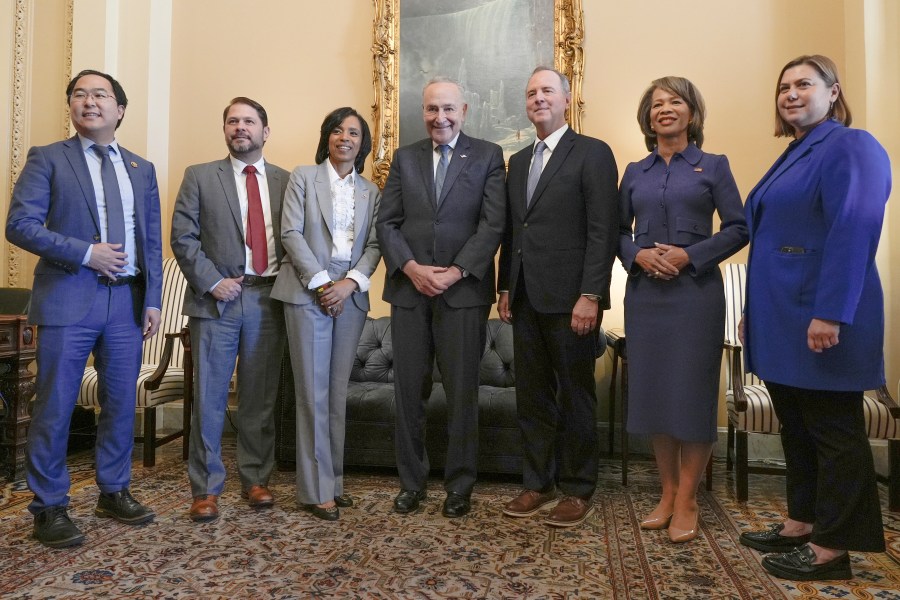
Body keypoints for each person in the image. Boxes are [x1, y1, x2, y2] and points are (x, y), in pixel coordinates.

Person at [738, 55, 890, 581]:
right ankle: (801, 522)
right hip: (782, 320)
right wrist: (752, 315)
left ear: (833, 91)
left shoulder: (851, 144)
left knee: (833, 432)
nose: (791, 93)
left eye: (804, 83)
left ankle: (833, 548)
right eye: (783, 86)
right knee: (797, 429)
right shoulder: (796, 151)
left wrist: (831, 313)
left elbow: (854, 228)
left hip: (822, 319)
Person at [6, 69, 163, 548]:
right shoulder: (48, 158)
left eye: (100, 94)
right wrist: (83, 251)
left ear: (120, 109)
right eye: (79, 94)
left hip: (127, 303)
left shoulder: (142, 168)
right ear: (71, 106)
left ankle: (113, 490)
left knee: (118, 404)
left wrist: (153, 298)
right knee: (54, 405)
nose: (89, 101)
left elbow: (150, 240)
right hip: (68, 297)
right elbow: (19, 225)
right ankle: (49, 506)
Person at [618, 76, 748, 543]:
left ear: (692, 113)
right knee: (653, 393)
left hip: (696, 297)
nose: (665, 110)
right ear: (647, 118)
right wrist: (637, 254)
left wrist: (689, 255)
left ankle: (690, 497)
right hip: (647, 297)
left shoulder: (713, 166)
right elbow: (616, 231)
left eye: (675, 102)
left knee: (691, 395)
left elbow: (738, 228)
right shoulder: (635, 171)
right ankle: (668, 493)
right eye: (656, 104)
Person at [376, 77, 506, 518]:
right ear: (423, 112)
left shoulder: (488, 155)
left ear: (464, 110)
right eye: (432, 109)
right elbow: (387, 222)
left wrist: (455, 272)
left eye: (448, 109)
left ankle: (459, 485)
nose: (440, 117)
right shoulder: (404, 158)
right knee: (408, 394)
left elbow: (492, 225)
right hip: (410, 293)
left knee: (462, 394)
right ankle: (411, 484)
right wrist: (411, 268)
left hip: (463, 295)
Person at [498, 66, 618, 527]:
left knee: (575, 397)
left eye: (547, 91)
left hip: (573, 300)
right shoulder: (519, 161)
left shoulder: (592, 153)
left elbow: (602, 230)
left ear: (568, 99)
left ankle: (577, 488)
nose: (538, 99)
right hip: (526, 298)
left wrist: (592, 294)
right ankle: (537, 482)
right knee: (531, 397)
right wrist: (505, 286)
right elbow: (516, 230)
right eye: (531, 93)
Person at [171, 97, 288, 522]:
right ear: (225, 130)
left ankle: (256, 479)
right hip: (216, 299)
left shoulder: (286, 180)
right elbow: (183, 237)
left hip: (268, 299)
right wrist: (213, 282)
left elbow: (294, 239)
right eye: (233, 121)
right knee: (210, 397)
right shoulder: (200, 176)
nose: (241, 127)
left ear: (265, 131)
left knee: (259, 397)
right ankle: (205, 489)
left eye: (250, 121)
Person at [271, 107, 381, 521]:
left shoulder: (372, 191)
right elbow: (290, 233)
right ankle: (315, 490)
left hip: (349, 295)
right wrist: (321, 284)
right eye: (337, 131)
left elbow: (375, 245)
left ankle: (333, 480)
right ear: (326, 138)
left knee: (336, 394)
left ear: (362, 143)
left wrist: (349, 284)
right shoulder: (303, 176)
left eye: (353, 132)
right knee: (312, 394)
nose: (345, 138)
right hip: (307, 292)